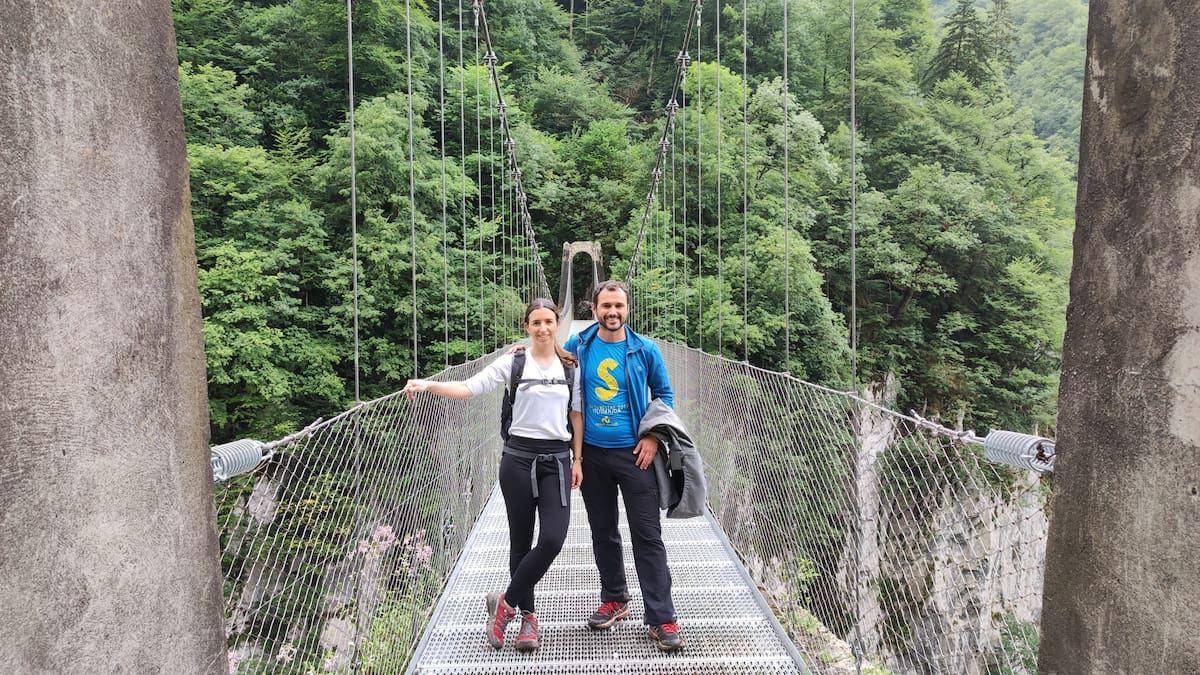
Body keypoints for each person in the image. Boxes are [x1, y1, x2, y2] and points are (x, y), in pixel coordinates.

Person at [401, 298, 582, 653]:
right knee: (520, 541)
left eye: (549, 321)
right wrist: (428, 385)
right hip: (517, 458)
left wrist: (579, 459)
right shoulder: (513, 362)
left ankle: (505, 603)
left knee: (553, 539)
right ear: (527, 326)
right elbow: (469, 387)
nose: (543, 328)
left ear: (558, 323)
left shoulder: (571, 367)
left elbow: (576, 416)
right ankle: (528, 617)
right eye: (536, 323)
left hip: (557, 460)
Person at [563, 280, 685, 652]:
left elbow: (664, 394)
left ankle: (662, 619)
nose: (612, 312)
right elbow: (548, 361)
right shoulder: (579, 346)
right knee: (603, 532)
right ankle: (615, 598)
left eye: (619, 306)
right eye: (606, 306)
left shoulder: (644, 349)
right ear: (594, 308)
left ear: (627, 309)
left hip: (636, 455)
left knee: (647, 537)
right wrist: (522, 353)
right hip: (593, 457)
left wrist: (653, 438)